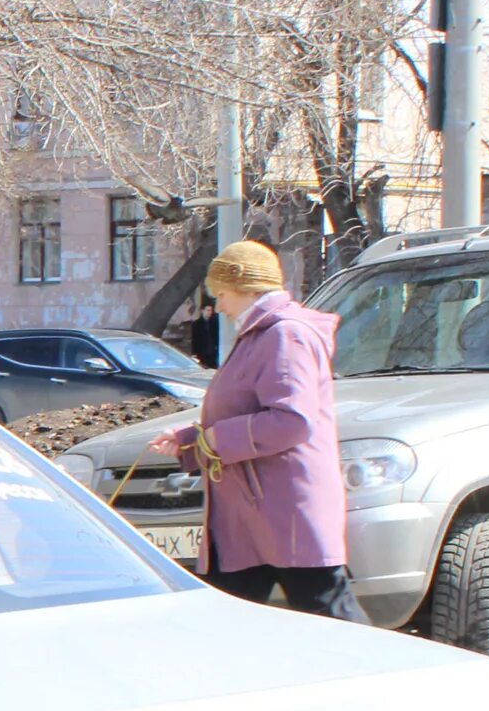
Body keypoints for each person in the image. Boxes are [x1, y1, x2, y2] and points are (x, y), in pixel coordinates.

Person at [155, 241, 363, 621]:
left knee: (331, 617)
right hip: (256, 511)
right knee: (226, 620)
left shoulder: (285, 335)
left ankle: (389, 676)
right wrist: (190, 441)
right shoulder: (263, 333)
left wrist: (213, 441)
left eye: (220, 295)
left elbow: (291, 421)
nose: (217, 307)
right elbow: (247, 411)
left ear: (245, 287)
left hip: (285, 508)